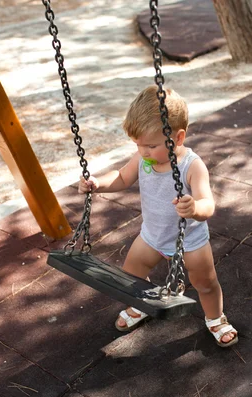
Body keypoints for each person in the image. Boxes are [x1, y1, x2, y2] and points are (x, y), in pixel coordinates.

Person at [78, 86, 237, 347]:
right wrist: (97, 184)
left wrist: (194, 208)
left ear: (178, 138)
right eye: (138, 145)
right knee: (132, 272)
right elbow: (121, 177)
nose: (143, 152)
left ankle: (215, 318)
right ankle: (141, 305)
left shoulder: (192, 166)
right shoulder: (143, 158)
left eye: (151, 145)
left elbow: (208, 204)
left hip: (190, 242)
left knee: (205, 283)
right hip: (152, 236)